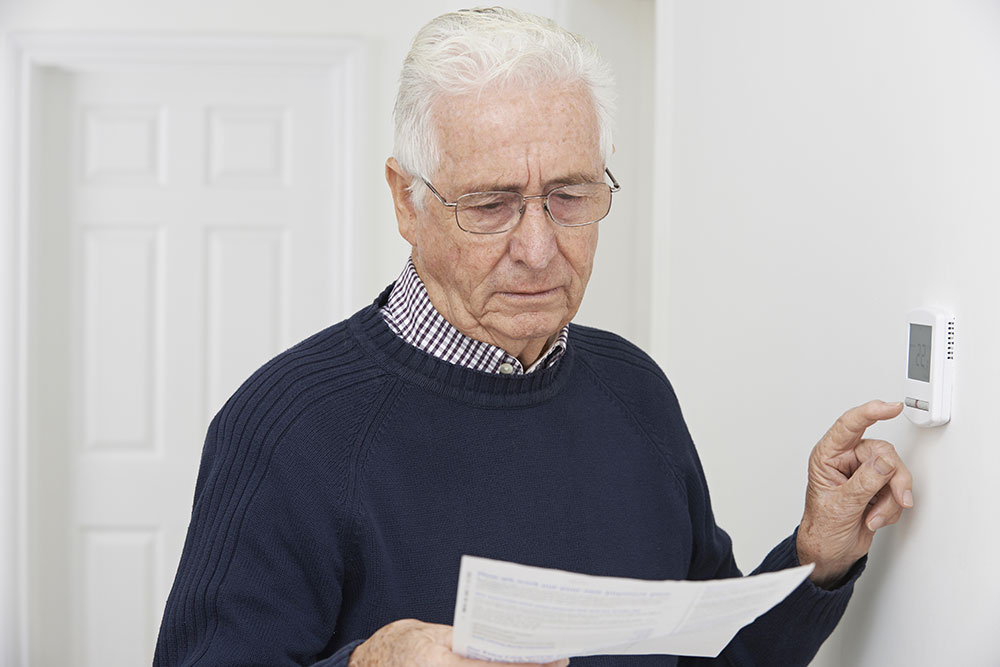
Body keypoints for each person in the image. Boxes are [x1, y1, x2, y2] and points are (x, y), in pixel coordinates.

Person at [154, 8, 913, 667]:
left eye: (570, 195)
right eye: (491, 204)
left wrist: (818, 554)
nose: (540, 247)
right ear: (406, 201)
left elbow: (710, 653)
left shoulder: (635, 389)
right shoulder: (288, 426)